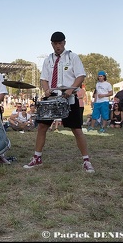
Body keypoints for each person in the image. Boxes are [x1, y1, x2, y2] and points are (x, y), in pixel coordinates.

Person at [23, 31, 95, 173]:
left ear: (64, 43)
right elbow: (44, 78)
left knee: (76, 129)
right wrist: (46, 89)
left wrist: (71, 90)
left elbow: (81, 76)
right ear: (52, 44)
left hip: (69, 98)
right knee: (42, 127)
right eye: (55, 44)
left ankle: (86, 160)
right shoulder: (48, 60)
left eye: (60, 43)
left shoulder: (72, 57)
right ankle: (37, 158)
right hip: (51, 99)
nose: (58, 46)